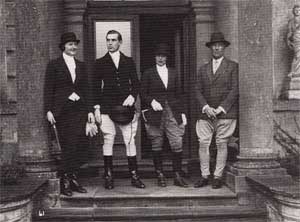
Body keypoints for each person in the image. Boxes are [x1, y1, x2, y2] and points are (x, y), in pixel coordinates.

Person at [91, 30, 145, 190]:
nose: (110, 43)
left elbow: (136, 83)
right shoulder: (99, 63)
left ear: (120, 42)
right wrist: (96, 108)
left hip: (125, 108)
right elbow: (94, 87)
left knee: (129, 140)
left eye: (113, 40)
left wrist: (132, 96)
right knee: (109, 139)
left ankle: (135, 176)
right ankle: (108, 176)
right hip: (106, 107)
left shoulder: (128, 61)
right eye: (108, 40)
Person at [44, 32, 95, 196]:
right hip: (63, 112)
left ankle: (73, 179)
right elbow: (48, 88)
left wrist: (90, 111)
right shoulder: (54, 65)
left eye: (75, 44)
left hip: (79, 111)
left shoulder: (81, 65)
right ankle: (65, 181)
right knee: (67, 146)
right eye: (70, 44)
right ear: (63, 46)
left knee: (79, 144)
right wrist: (48, 110)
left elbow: (86, 89)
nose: (73, 47)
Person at [194, 32, 238, 189]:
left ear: (224, 47)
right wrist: (206, 107)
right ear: (211, 47)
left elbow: (235, 90)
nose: (217, 48)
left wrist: (220, 108)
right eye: (214, 45)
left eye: (220, 45)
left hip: (225, 113)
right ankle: (204, 176)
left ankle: (218, 176)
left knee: (221, 143)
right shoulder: (203, 69)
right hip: (206, 113)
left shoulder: (233, 66)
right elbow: (197, 90)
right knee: (203, 143)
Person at [140, 43, 188, 188]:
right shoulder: (148, 73)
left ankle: (177, 175)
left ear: (167, 58)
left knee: (176, 142)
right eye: (158, 56)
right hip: (155, 112)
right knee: (156, 142)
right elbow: (142, 93)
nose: (161, 58)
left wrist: (183, 113)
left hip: (172, 111)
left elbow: (179, 95)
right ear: (155, 57)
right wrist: (152, 101)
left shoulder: (173, 73)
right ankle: (159, 174)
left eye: (163, 56)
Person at [287, 4, 300, 78]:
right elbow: (290, 32)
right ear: (293, 11)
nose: (297, 12)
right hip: (296, 39)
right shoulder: (291, 21)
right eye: (296, 10)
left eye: (299, 10)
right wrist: (288, 40)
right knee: (297, 55)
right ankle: (293, 71)